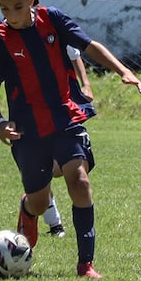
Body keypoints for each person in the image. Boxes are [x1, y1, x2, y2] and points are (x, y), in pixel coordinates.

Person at [0, 0, 141, 279]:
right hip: (27, 130)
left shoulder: (53, 20)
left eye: (18, 7)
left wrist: (122, 70)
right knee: (40, 199)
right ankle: (29, 209)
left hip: (65, 116)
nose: (12, 15)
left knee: (79, 180)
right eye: (4, 9)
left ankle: (86, 264)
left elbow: (89, 46)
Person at [43, 45, 96, 238]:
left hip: (65, 111)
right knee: (42, 173)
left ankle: (86, 257)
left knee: (71, 174)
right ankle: (54, 223)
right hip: (34, 110)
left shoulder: (54, 25)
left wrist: (86, 84)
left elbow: (75, 56)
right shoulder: (12, 34)